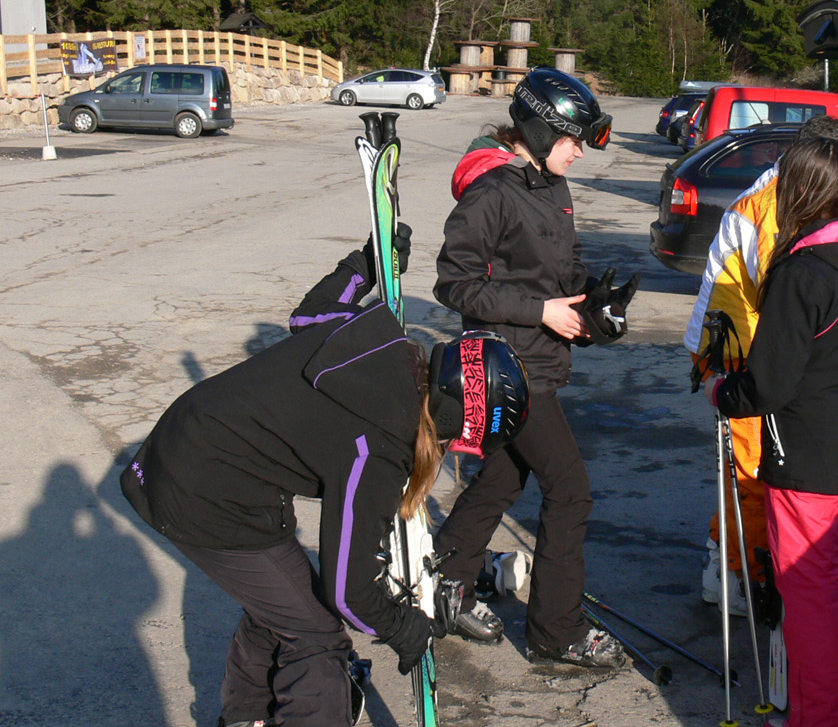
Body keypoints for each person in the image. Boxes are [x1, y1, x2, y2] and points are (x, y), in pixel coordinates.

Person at [120, 240, 530, 727]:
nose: (449, 453)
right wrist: (403, 628)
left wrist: (365, 264)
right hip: (203, 491)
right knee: (317, 636)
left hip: (192, 447)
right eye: (459, 442)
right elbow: (348, 590)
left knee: (287, 605)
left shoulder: (383, 343)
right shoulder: (383, 444)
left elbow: (310, 315)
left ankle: (247, 717)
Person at [431, 66, 633, 668]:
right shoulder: (492, 192)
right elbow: (454, 284)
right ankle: (556, 631)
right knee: (571, 491)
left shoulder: (552, 187)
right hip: (502, 368)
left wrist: (596, 306)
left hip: (539, 360)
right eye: (572, 141)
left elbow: (565, 272)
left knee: (501, 479)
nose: (578, 154)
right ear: (539, 131)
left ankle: (446, 583)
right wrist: (540, 310)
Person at [710, 135, 838, 727]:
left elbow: (770, 383)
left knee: (813, 600)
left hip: (808, 458)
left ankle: (818, 717)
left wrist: (724, 392)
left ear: (802, 191)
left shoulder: (803, 272)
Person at [684, 116, 838, 613]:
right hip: (738, 355)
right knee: (751, 474)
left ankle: (735, 563)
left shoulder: (783, 195)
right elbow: (790, 292)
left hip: (745, 347)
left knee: (752, 472)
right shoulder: (771, 209)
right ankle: (735, 574)